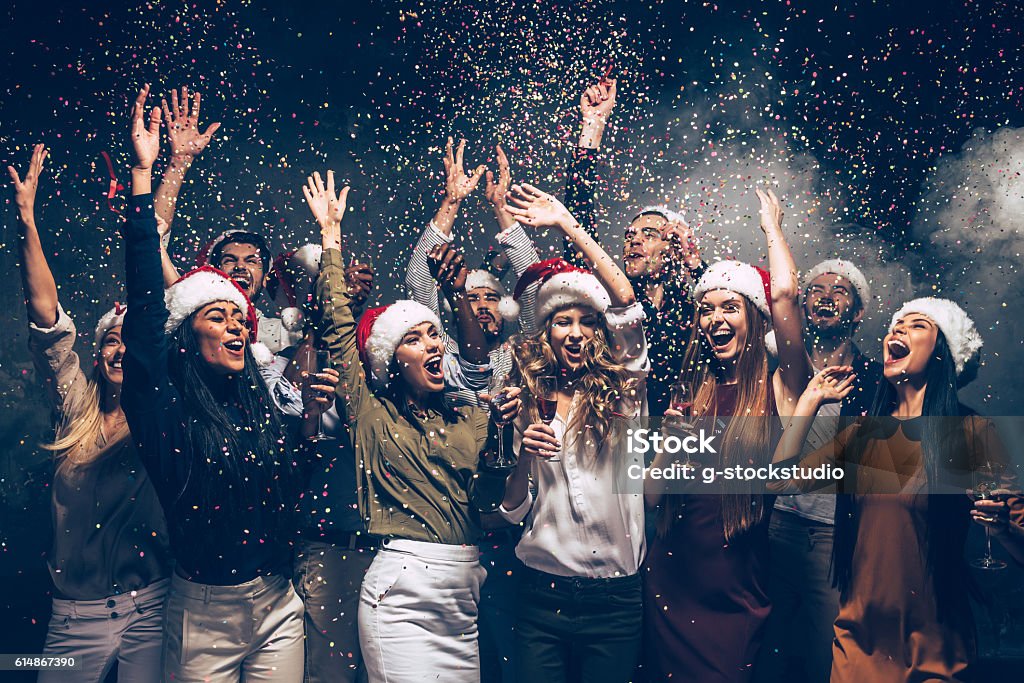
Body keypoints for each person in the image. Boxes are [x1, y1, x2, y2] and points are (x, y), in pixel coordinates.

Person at [121, 85, 335, 682]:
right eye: (219, 316)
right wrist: (151, 174)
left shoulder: (259, 397)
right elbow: (145, 297)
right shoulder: (163, 405)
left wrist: (310, 421)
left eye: (241, 318)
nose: (237, 326)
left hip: (278, 603)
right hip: (203, 616)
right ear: (186, 338)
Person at [306, 167, 520, 683]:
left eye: (434, 335)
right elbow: (338, 327)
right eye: (415, 338)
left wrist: (507, 434)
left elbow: (492, 497)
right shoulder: (370, 411)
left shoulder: (471, 413)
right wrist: (330, 240)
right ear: (389, 359)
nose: (432, 344)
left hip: (463, 591)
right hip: (401, 590)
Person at [771, 296, 1024, 682]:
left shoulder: (970, 433)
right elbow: (777, 481)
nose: (897, 330)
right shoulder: (862, 434)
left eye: (917, 324)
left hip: (936, 648)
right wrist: (809, 401)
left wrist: (1003, 526)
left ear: (943, 352)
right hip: (858, 644)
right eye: (895, 325)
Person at [12, 142, 172, 682]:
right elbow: (47, 320)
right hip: (71, 618)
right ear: (99, 354)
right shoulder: (74, 407)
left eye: (132, 342)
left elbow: (154, 287)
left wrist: (154, 174)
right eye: (111, 341)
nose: (122, 349)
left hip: (150, 608)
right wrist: (28, 222)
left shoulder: (160, 413)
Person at [642, 188, 811, 683]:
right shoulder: (693, 391)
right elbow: (652, 498)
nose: (715, 319)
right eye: (707, 309)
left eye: (730, 307)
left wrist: (773, 230)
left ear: (754, 318)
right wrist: (667, 449)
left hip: (737, 589)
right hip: (670, 580)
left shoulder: (781, 384)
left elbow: (785, 296)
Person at [497, 182, 649, 683]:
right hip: (543, 594)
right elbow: (514, 510)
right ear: (547, 332)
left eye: (588, 322)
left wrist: (566, 223)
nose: (577, 332)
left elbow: (626, 301)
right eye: (564, 321)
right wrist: (524, 454)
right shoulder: (526, 399)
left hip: (616, 599)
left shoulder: (626, 390)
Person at [756, 259, 882, 683]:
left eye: (839, 290)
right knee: (766, 653)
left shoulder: (877, 381)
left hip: (833, 535)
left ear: (858, 312)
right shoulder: (780, 366)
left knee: (821, 657)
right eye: (817, 290)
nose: (826, 296)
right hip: (772, 526)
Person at [259, 249, 377, 683]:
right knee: (332, 674)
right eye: (333, 293)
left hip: (389, 546)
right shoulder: (278, 361)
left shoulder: (374, 366)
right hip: (330, 550)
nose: (343, 298)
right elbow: (289, 416)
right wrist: (318, 320)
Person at [561, 75, 706, 414]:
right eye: (629, 236)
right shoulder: (609, 297)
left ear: (672, 249)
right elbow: (578, 227)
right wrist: (593, 126)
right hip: (614, 444)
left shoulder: (691, 309)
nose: (634, 241)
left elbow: (736, 312)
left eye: (649, 235)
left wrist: (696, 265)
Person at [152, 85, 296, 354]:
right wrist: (179, 162)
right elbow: (151, 238)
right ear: (211, 270)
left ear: (266, 278)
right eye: (229, 260)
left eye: (252, 261)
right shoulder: (187, 319)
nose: (240, 267)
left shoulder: (284, 335)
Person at [405, 138, 540, 404]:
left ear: (504, 309)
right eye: (472, 297)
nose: (481, 305)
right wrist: (451, 202)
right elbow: (418, 280)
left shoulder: (523, 351)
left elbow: (534, 283)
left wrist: (502, 208)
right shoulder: (440, 351)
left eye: (490, 298)